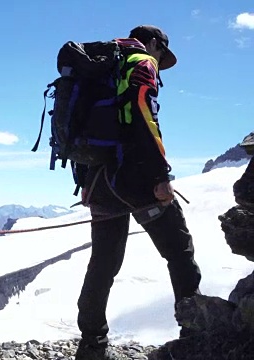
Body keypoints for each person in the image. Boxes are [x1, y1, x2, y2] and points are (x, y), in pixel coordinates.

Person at [73, 25, 203, 360]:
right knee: (179, 250)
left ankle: (92, 343)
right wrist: (160, 175)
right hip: (136, 177)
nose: (160, 61)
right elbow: (144, 114)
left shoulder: (104, 67)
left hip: (100, 180)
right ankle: (195, 334)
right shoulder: (141, 62)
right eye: (162, 52)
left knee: (103, 262)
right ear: (156, 44)